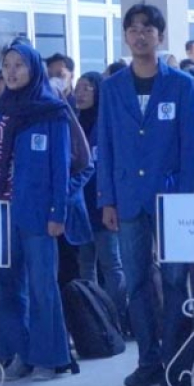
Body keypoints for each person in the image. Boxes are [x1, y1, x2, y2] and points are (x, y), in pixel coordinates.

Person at [96, 3, 194, 386]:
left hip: (171, 195)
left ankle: (175, 357)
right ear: (126, 36)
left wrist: (190, 195)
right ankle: (148, 358)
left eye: (148, 29)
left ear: (160, 36)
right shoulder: (112, 87)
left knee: (175, 279)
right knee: (137, 280)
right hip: (126, 197)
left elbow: (191, 145)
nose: (140, 36)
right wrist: (106, 198)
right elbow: (104, 145)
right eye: (133, 29)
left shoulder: (181, 84)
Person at [0, 42, 75, 381]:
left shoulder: (53, 112)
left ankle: (48, 357)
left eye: (19, 64)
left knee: (42, 286)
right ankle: (17, 352)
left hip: (38, 211)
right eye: (7, 65)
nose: (12, 71)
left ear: (34, 69)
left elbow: (61, 168)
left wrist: (58, 212)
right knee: (6, 287)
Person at [72, 71, 129, 330]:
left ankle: (117, 318)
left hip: (103, 204)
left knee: (111, 264)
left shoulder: (107, 123)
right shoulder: (73, 123)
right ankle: (95, 318)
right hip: (80, 205)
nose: (80, 93)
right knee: (86, 264)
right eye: (78, 88)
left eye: (87, 88)